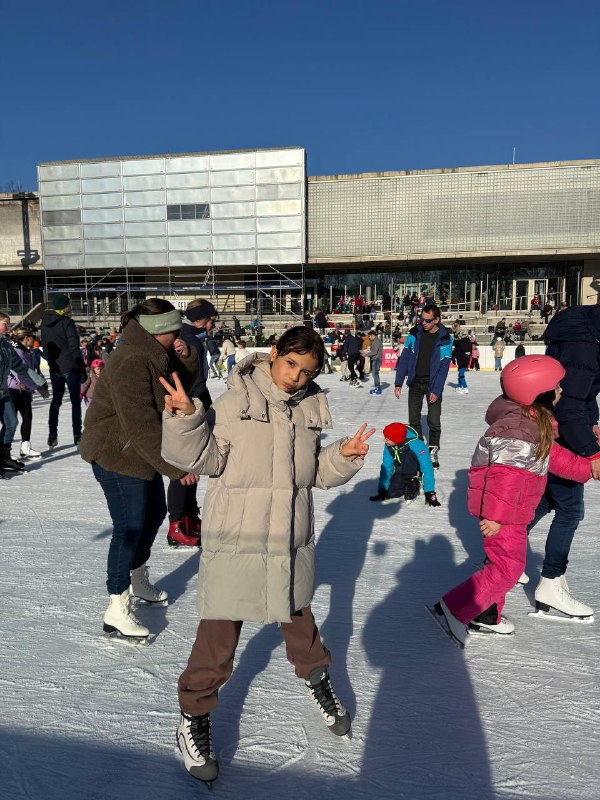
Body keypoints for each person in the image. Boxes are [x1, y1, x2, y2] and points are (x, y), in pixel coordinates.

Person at [159, 326, 374, 785]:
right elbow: (205, 459)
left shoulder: (311, 407)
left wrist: (345, 455)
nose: (296, 376)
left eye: (307, 371)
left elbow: (312, 473)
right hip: (239, 536)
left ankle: (318, 682)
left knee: (299, 623)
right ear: (273, 353)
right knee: (217, 638)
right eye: (291, 363)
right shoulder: (235, 401)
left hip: (287, 539)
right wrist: (183, 419)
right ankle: (192, 716)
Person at [429, 355, 594, 647]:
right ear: (537, 392)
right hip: (506, 513)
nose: (561, 392)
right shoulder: (519, 431)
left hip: (514, 510)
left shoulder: (532, 423)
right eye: (556, 387)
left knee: (503, 564)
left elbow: (554, 457)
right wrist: (495, 516)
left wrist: (588, 469)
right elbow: (503, 478)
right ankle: (454, 608)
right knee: (508, 568)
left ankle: (487, 616)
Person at [79, 298, 199, 643]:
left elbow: (177, 389)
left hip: (138, 453)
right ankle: (116, 608)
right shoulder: (131, 360)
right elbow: (140, 424)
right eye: (175, 329)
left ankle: (137, 577)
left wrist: (186, 357)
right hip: (116, 454)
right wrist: (175, 467)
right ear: (160, 330)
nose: (179, 333)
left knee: (154, 514)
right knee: (129, 527)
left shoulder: (152, 352)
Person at [525, 305, 600, 619]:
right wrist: (592, 454)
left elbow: (583, 396)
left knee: (548, 501)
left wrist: (592, 423)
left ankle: (505, 542)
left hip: (561, 428)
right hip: (562, 434)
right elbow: (568, 408)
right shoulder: (585, 344)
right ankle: (551, 583)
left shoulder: (585, 329)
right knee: (570, 509)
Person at [166, 299, 219, 549]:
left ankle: (187, 518)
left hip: (192, 401)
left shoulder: (190, 335)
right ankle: (177, 523)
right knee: (184, 464)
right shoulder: (187, 338)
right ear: (200, 319)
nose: (213, 324)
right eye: (210, 319)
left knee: (192, 463)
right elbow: (187, 376)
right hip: (188, 405)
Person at [394, 304, 452, 470]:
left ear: (437, 320)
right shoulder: (414, 333)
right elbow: (405, 358)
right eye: (422, 319)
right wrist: (399, 382)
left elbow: (444, 367)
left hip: (433, 384)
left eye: (427, 320)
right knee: (413, 420)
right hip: (415, 383)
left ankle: (432, 450)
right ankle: (419, 451)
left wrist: (437, 390)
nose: (423, 323)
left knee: (433, 421)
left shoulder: (445, 338)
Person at [40, 293, 87, 448]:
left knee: (56, 402)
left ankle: (52, 434)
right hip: (69, 367)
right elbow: (74, 348)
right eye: (69, 304)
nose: (71, 306)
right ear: (65, 306)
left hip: (55, 368)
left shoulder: (44, 322)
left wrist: (52, 363)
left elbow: (45, 348)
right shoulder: (67, 322)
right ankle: (77, 435)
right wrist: (81, 368)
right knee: (75, 402)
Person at [2, 321, 48, 469]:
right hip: (12, 389)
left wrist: (39, 382)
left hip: (6, 391)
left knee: (13, 423)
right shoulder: (14, 348)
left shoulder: (7, 345)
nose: (9, 327)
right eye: (5, 323)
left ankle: (5, 457)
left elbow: (21, 368)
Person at [369, 422, 440, 506]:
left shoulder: (416, 444)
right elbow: (386, 466)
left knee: (407, 455)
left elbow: (427, 467)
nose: (384, 440)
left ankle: (413, 480)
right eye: (385, 437)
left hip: (415, 467)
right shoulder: (389, 446)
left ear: (396, 439)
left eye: (387, 439)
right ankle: (405, 481)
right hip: (401, 469)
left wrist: (430, 492)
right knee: (392, 493)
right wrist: (383, 488)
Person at [364, 329, 383, 395]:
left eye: (369, 336)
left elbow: (374, 352)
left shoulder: (376, 341)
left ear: (372, 335)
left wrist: (366, 354)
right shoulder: (374, 341)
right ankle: (377, 387)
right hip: (375, 359)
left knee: (375, 374)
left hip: (377, 359)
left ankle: (377, 388)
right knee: (375, 374)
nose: (369, 337)